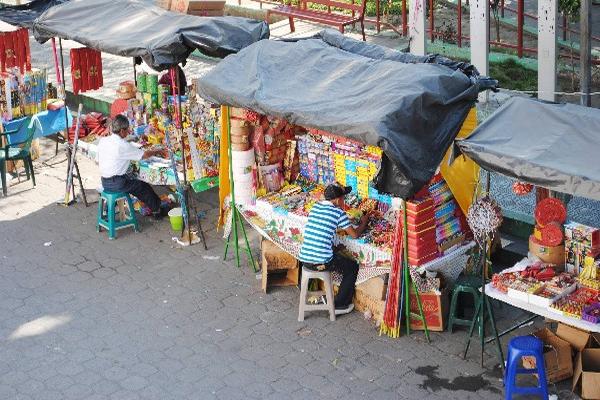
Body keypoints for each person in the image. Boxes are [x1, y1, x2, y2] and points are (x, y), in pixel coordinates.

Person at [298, 183, 370, 315]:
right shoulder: (338, 212)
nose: (344, 201)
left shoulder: (315, 207)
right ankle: (340, 304)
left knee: (338, 256)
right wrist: (364, 221)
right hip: (321, 262)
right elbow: (354, 235)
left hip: (304, 259)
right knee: (352, 267)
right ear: (337, 200)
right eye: (343, 198)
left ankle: (334, 298)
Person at [98, 115, 168, 220]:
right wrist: (158, 151)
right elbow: (143, 155)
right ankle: (157, 210)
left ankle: (109, 211)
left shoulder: (104, 141)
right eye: (127, 130)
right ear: (122, 131)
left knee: (135, 180)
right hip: (117, 183)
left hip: (104, 180)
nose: (128, 132)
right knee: (143, 187)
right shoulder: (122, 145)